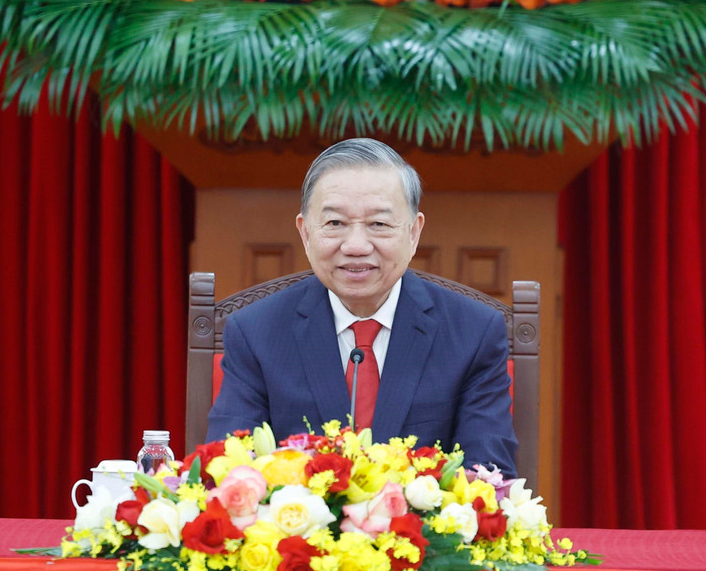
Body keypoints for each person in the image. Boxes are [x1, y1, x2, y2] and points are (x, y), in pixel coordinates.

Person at [206, 138, 518, 475]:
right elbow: (230, 471)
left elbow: (488, 477)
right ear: (306, 233)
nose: (355, 246)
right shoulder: (255, 332)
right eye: (335, 224)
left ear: (413, 233)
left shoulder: (474, 332)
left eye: (379, 224)